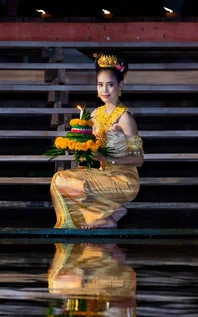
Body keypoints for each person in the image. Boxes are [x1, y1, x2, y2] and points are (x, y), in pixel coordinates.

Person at [50, 53, 144, 229]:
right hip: (103, 175)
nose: (105, 90)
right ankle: (109, 212)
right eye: (100, 85)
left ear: (120, 86)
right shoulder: (95, 115)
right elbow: (92, 147)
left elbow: (139, 159)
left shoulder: (125, 118)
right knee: (60, 179)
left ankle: (104, 215)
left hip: (124, 180)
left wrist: (108, 159)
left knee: (76, 183)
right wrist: (79, 146)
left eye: (110, 85)